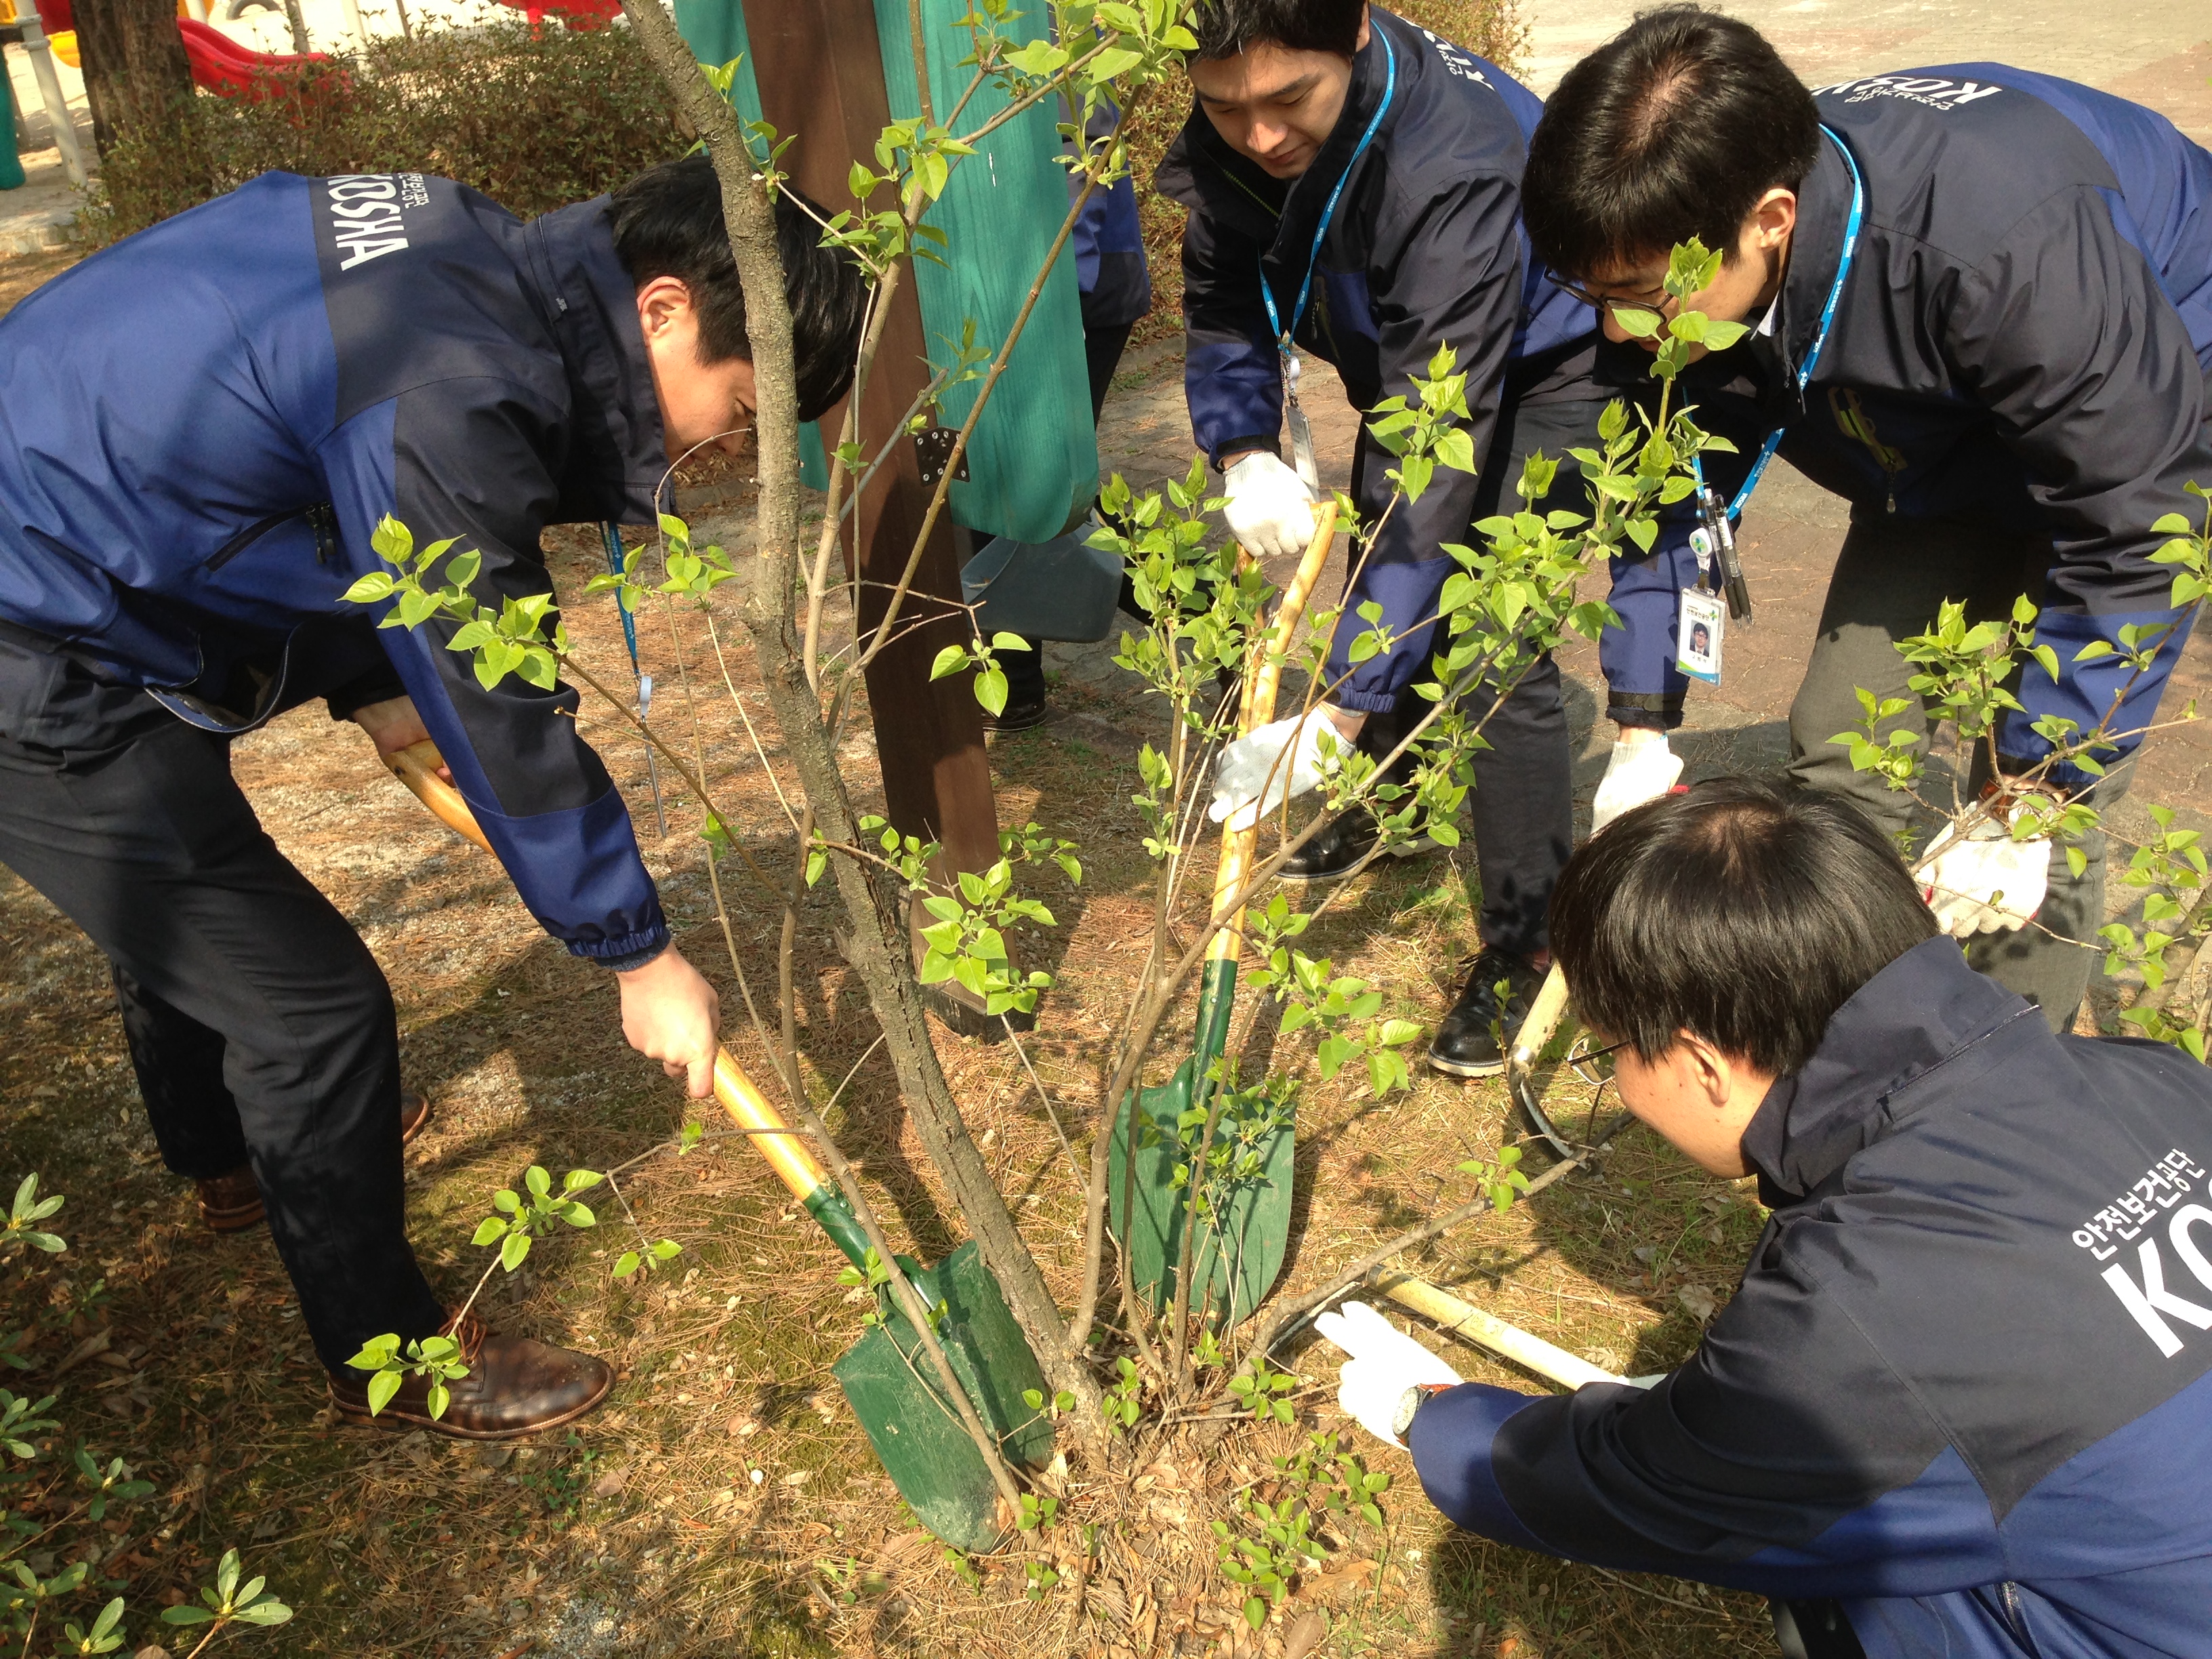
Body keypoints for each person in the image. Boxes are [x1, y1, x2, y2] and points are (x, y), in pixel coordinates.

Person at [0, 154, 866, 1437]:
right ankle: (388, 1360)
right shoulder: (457, 379)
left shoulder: (459, 250)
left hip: (76, 539)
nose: (721, 453)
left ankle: (222, 1164)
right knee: (314, 1013)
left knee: (193, 906)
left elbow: (321, 466)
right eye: (736, 412)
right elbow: (491, 685)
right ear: (667, 310)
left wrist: (369, 675)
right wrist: (637, 951)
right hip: (37, 632)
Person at [1322, 777, 2212, 1658]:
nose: (1624, 1086)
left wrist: (1428, 1415)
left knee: (1836, 1575)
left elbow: (1643, 1492)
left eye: (1614, 1051)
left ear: (1701, 1064)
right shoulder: (2157, 1081)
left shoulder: (1861, 1318)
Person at [1521, 9, 2212, 1031]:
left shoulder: (2002, 243)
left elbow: (2138, 522)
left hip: (2150, 386)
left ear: (1769, 218)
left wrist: (2033, 796)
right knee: (1842, 738)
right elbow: (1677, 487)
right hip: (1937, 429)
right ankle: (1842, 1020)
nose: (1619, 327)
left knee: (2023, 811)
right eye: (1597, 293)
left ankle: (2007, 1097)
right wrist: (1640, 720)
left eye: (1642, 296)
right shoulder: (1672, 243)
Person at [1171, 0, 1601, 1076]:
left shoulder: (1453, 163)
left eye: (1288, 101)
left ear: (1355, 31)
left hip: (1551, 367)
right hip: (1417, 367)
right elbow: (1223, 291)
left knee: (1489, 639)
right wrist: (1242, 448)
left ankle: (1531, 938)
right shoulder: (1235, 124)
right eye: (1226, 108)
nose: (1260, 136)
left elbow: (1436, 453)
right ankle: (1393, 793)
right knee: (1384, 567)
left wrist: (1342, 710)